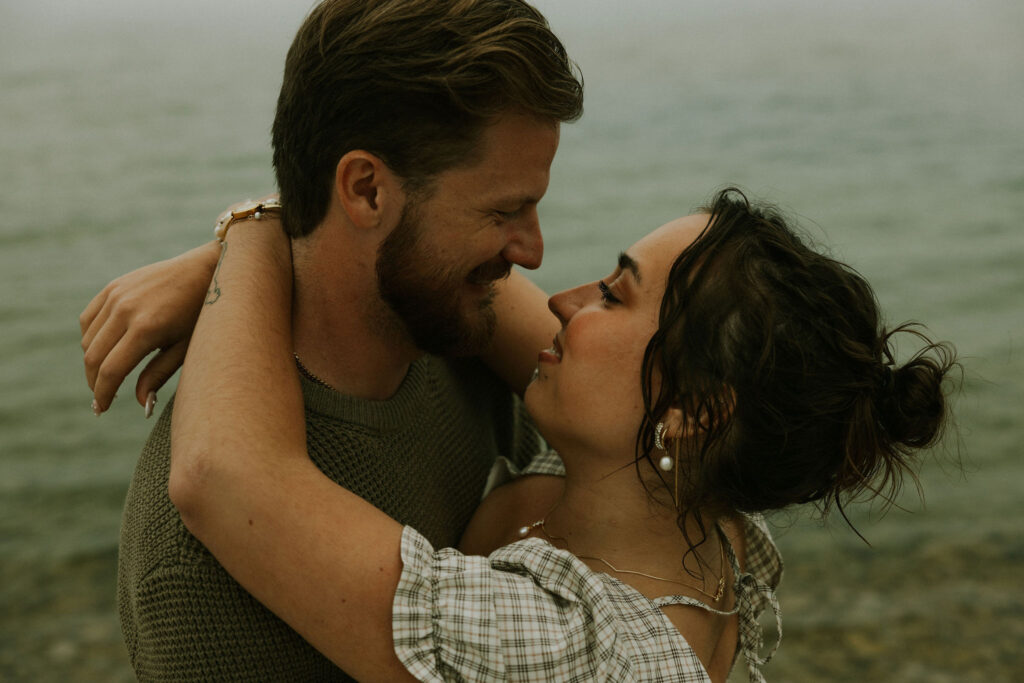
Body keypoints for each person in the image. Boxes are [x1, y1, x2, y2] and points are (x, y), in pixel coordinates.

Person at [102, 188, 957, 681]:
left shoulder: (589, 656)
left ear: (694, 411)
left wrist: (250, 231)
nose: (562, 298)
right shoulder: (672, 495)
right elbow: (453, 287)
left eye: (615, 294)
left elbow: (223, 477)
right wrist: (285, 255)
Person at [79, 0, 583, 678]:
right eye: (504, 210)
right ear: (367, 190)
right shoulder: (198, 569)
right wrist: (251, 234)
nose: (534, 250)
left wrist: (248, 232)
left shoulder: (464, 334)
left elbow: (645, 404)